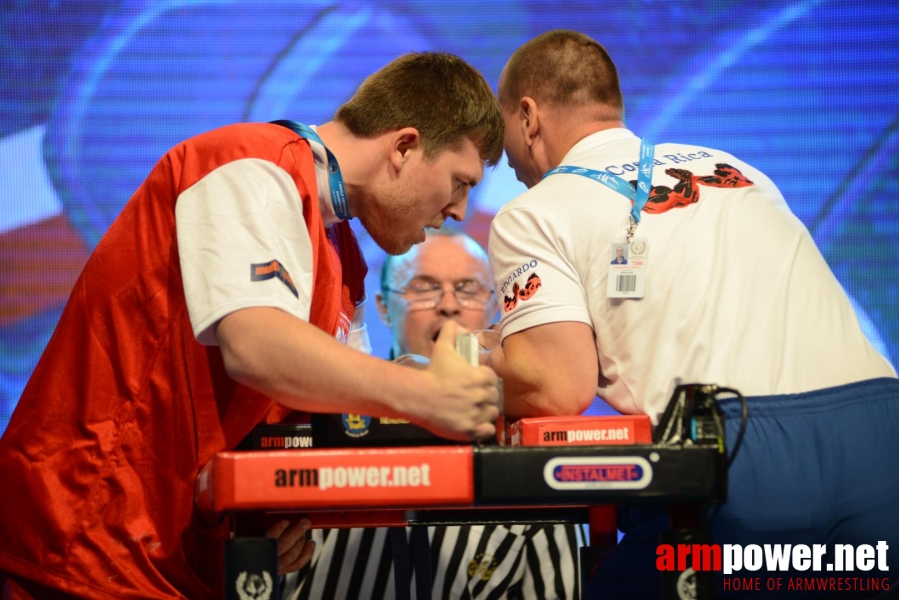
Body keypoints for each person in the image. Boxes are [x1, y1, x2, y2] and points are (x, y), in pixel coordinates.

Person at [0, 52, 504, 600]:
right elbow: (254, 343)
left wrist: (270, 514)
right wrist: (425, 392)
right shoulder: (247, 165)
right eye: (459, 181)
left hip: (173, 554)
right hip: (82, 537)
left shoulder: (343, 252)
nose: (459, 210)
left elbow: (340, 415)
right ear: (404, 147)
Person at [488, 29, 899, 598]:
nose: (508, 161)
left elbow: (558, 387)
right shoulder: (736, 167)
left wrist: (481, 363)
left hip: (743, 453)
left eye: (505, 128)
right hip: (881, 433)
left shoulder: (530, 212)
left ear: (528, 116)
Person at [285, 229, 584, 600]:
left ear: (495, 307)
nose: (448, 304)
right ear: (382, 307)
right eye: (425, 287)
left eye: (468, 288)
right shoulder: (321, 425)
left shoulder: (529, 463)